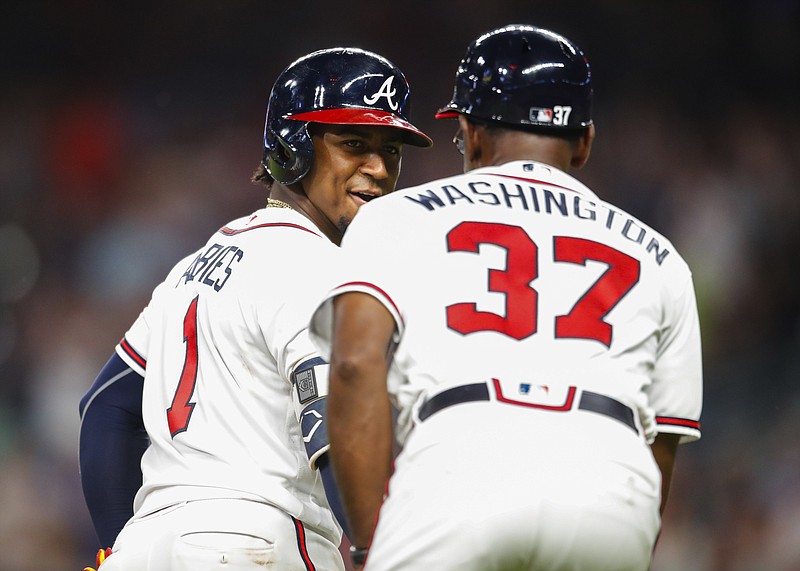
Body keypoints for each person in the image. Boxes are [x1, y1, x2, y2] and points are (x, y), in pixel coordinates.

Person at [309, 25, 703, 571]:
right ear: (584, 141)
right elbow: (662, 448)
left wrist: (370, 543)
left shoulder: (397, 216)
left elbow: (353, 365)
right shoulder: (661, 258)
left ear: (470, 134)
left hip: (458, 468)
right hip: (611, 487)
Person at [78, 46, 431, 570]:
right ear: (292, 148)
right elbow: (341, 428)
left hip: (144, 550)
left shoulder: (195, 265)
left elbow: (105, 408)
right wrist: (377, 552)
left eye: (392, 150)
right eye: (354, 143)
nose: (378, 168)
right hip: (254, 544)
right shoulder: (320, 268)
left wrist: (119, 545)